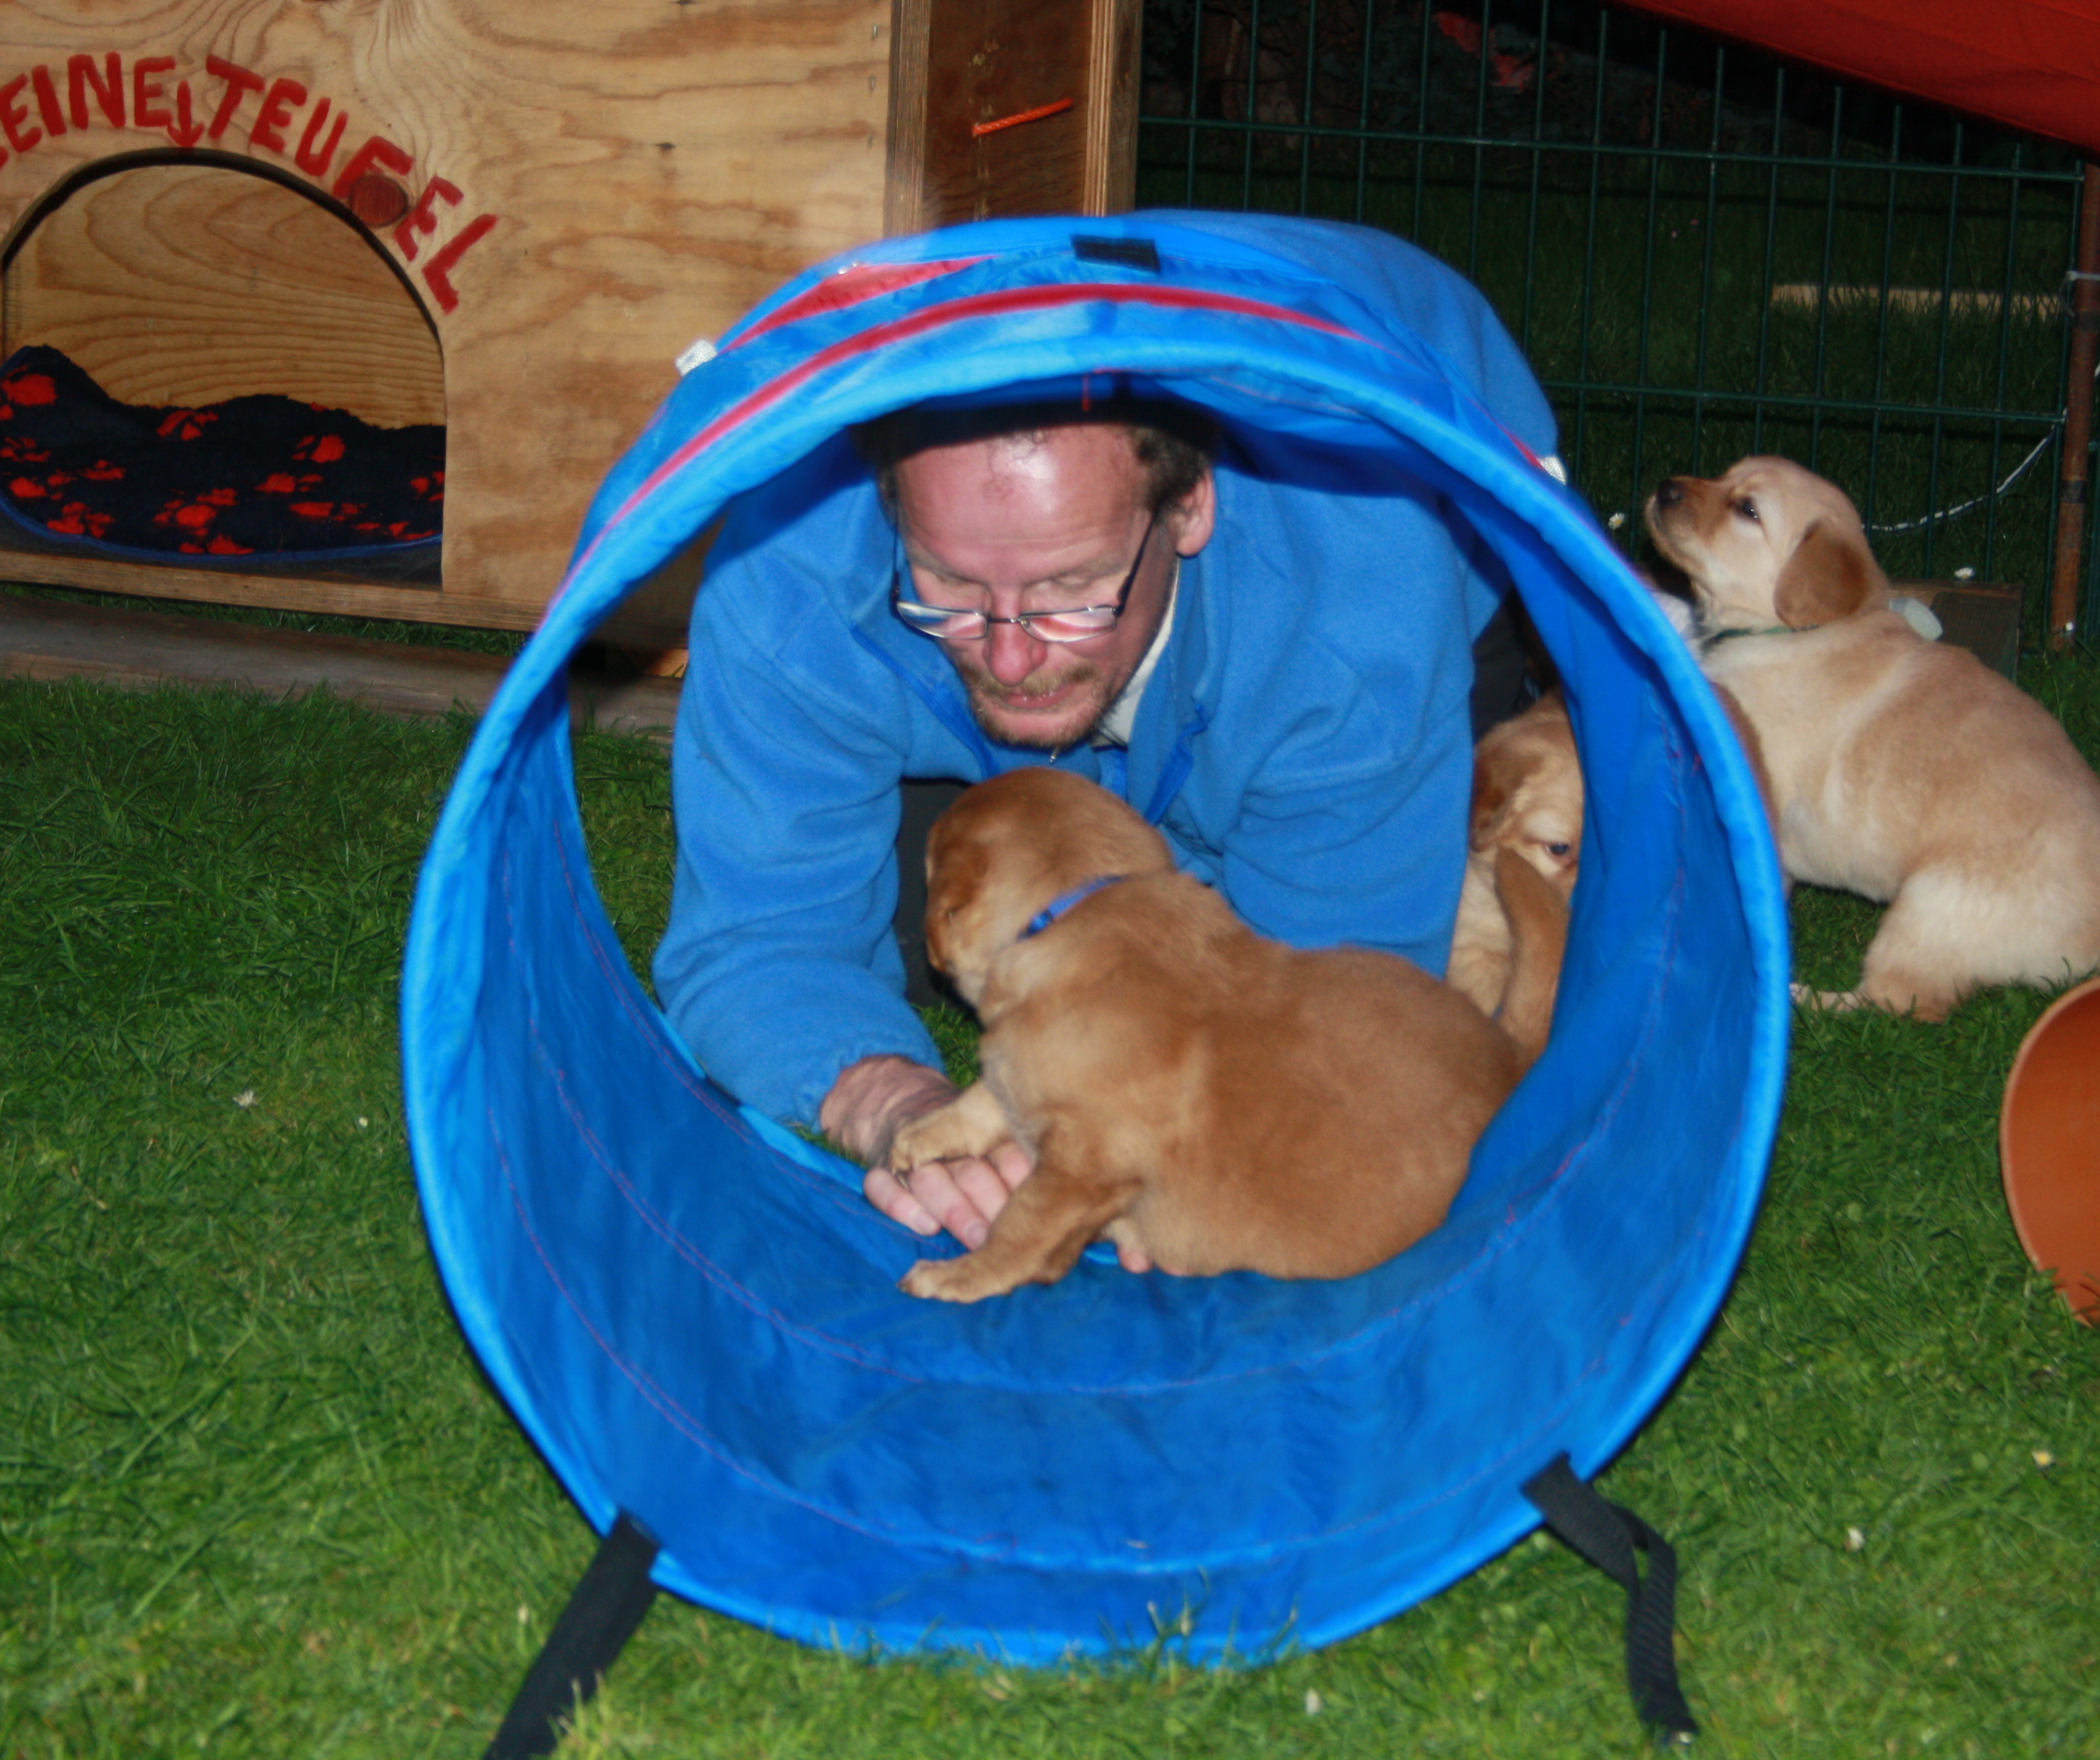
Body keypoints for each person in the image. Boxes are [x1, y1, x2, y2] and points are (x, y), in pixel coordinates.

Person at [652, 213, 1559, 1264]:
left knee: (1258, 971)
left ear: (1188, 508)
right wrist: (892, 1097)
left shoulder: (1351, 618)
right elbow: (756, 940)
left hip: (1417, 493)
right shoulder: (793, 577)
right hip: (1088, 656)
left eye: (1070, 587)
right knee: (951, 929)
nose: (1009, 654)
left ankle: (1192, 803)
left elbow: (1327, 1023)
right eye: (948, 581)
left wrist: (1168, 1165)